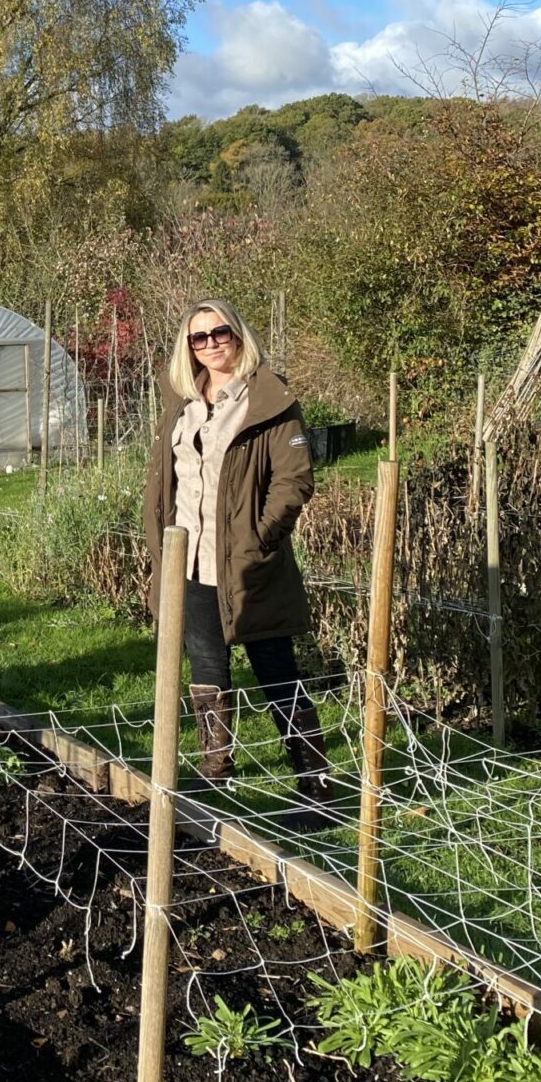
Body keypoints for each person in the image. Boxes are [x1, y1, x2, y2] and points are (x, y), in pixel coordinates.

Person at [142, 298, 335, 828]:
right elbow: (166, 477)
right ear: (188, 347)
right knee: (206, 669)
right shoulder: (182, 401)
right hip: (189, 559)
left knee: (276, 670)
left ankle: (317, 787)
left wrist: (260, 537)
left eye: (219, 332)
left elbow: (294, 480)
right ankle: (215, 774)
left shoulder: (269, 400)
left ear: (238, 334)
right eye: (198, 337)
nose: (210, 344)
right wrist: (160, 542)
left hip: (249, 564)